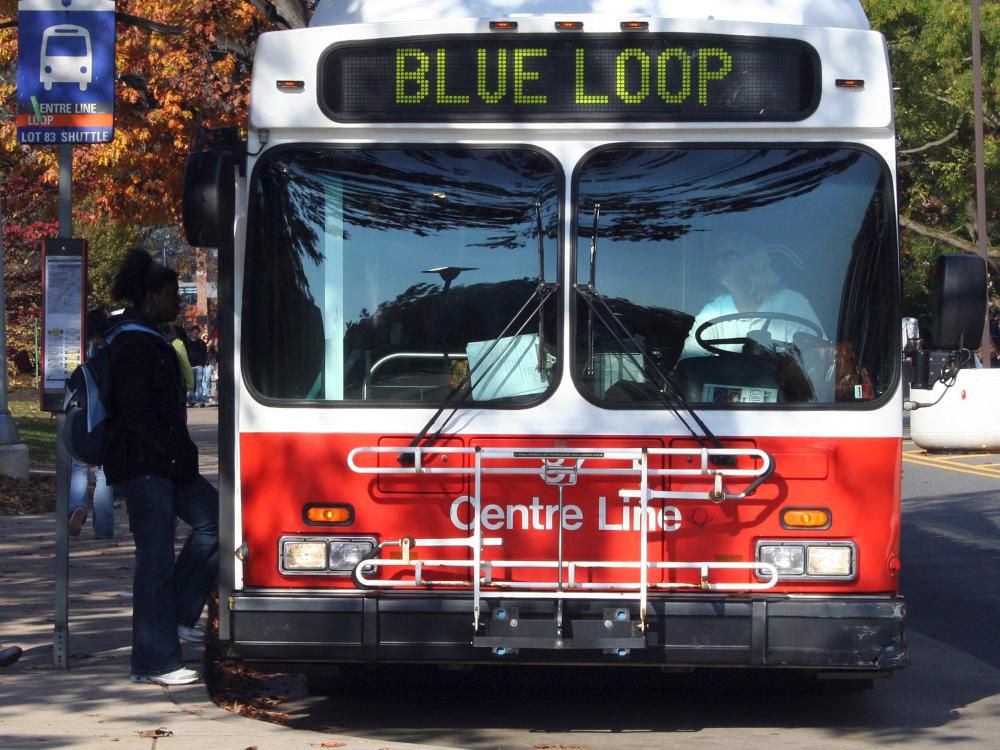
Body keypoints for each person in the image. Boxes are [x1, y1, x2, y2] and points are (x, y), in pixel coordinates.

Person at [104, 248, 219, 687]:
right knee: (154, 562)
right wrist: (174, 454)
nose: (178, 302)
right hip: (146, 467)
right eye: (172, 294)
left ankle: (174, 621)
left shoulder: (147, 337)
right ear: (151, 297)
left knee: (215, 522)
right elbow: (136, 414)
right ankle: (153, 661)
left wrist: (178, 455)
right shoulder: (133, 342)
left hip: (168, 464)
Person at [682, 238, 823, 358]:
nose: (720, 264)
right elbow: (689, 360)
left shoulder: (793, 304)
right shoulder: (712, 312)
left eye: (730, 256)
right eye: (717, 258)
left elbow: (818, 358)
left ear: (755, 262)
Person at [68, 307, 115, 539]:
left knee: (78, 468)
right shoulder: (110, 351)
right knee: (105, 474)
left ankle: (77, 506)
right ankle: (104, 528)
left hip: (81, 416)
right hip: (104, 418)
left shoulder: (78, 351)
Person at [186, 325, 209, 405]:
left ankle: (199, 399)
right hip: (189, 366)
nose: (196, 334)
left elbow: (204, 354)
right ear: (191, 332)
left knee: (199, 382)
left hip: (199, 366)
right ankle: (191, 399)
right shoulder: (187, 342)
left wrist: (202, 364)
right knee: (190, 384)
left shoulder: (201, 343)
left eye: (197, 333)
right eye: (195, 332)